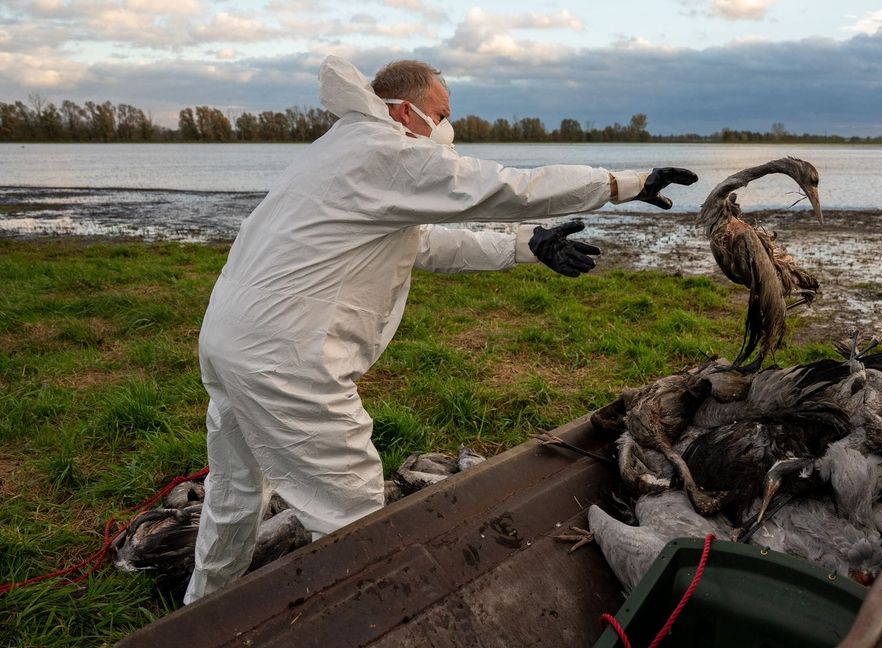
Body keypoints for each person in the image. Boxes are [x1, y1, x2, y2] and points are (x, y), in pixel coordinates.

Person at [183, 55, 698, 604]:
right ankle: (366, 622)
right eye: (442, 113)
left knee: (234, 490)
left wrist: (528, 245)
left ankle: (199, 610)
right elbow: (508, 187)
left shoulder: (345, 148)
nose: (448, 127)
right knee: (351, 514)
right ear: (407, 111)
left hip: (230, 341)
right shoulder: (384, 151)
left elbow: (421, 242)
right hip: (286, 357)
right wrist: (622, 183)